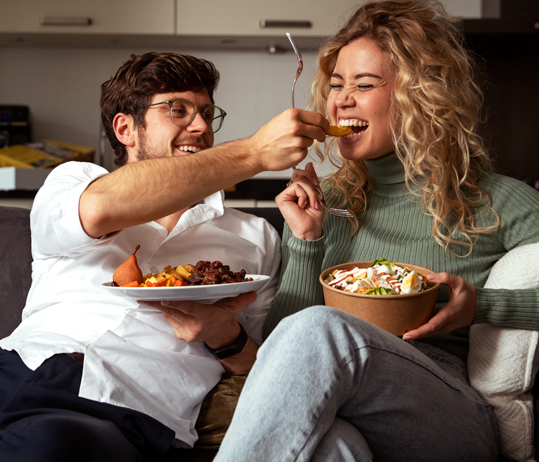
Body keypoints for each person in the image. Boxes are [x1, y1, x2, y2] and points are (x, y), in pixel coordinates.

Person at [212, 1, 539, 460]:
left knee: (320, 329)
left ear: (420, 95)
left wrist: (482, 306)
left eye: (364, 84)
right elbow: (284, 353)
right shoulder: (326, 201)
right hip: (346, 409)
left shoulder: (492, 199)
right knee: (334, 448)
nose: (341, 99)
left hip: (449, 412)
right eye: (336, 85)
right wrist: (307, 241)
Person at [0, 51, 329, 461]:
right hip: (20, 365)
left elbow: (264, 365)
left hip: (126, 409)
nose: (201, 126)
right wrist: (255, 153)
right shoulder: (75, 182)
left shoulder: (254, 235)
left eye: (208, 113)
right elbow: (101, 209)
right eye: (179, 110)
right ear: (125, 128)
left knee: (49, 446)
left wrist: (224, 335)